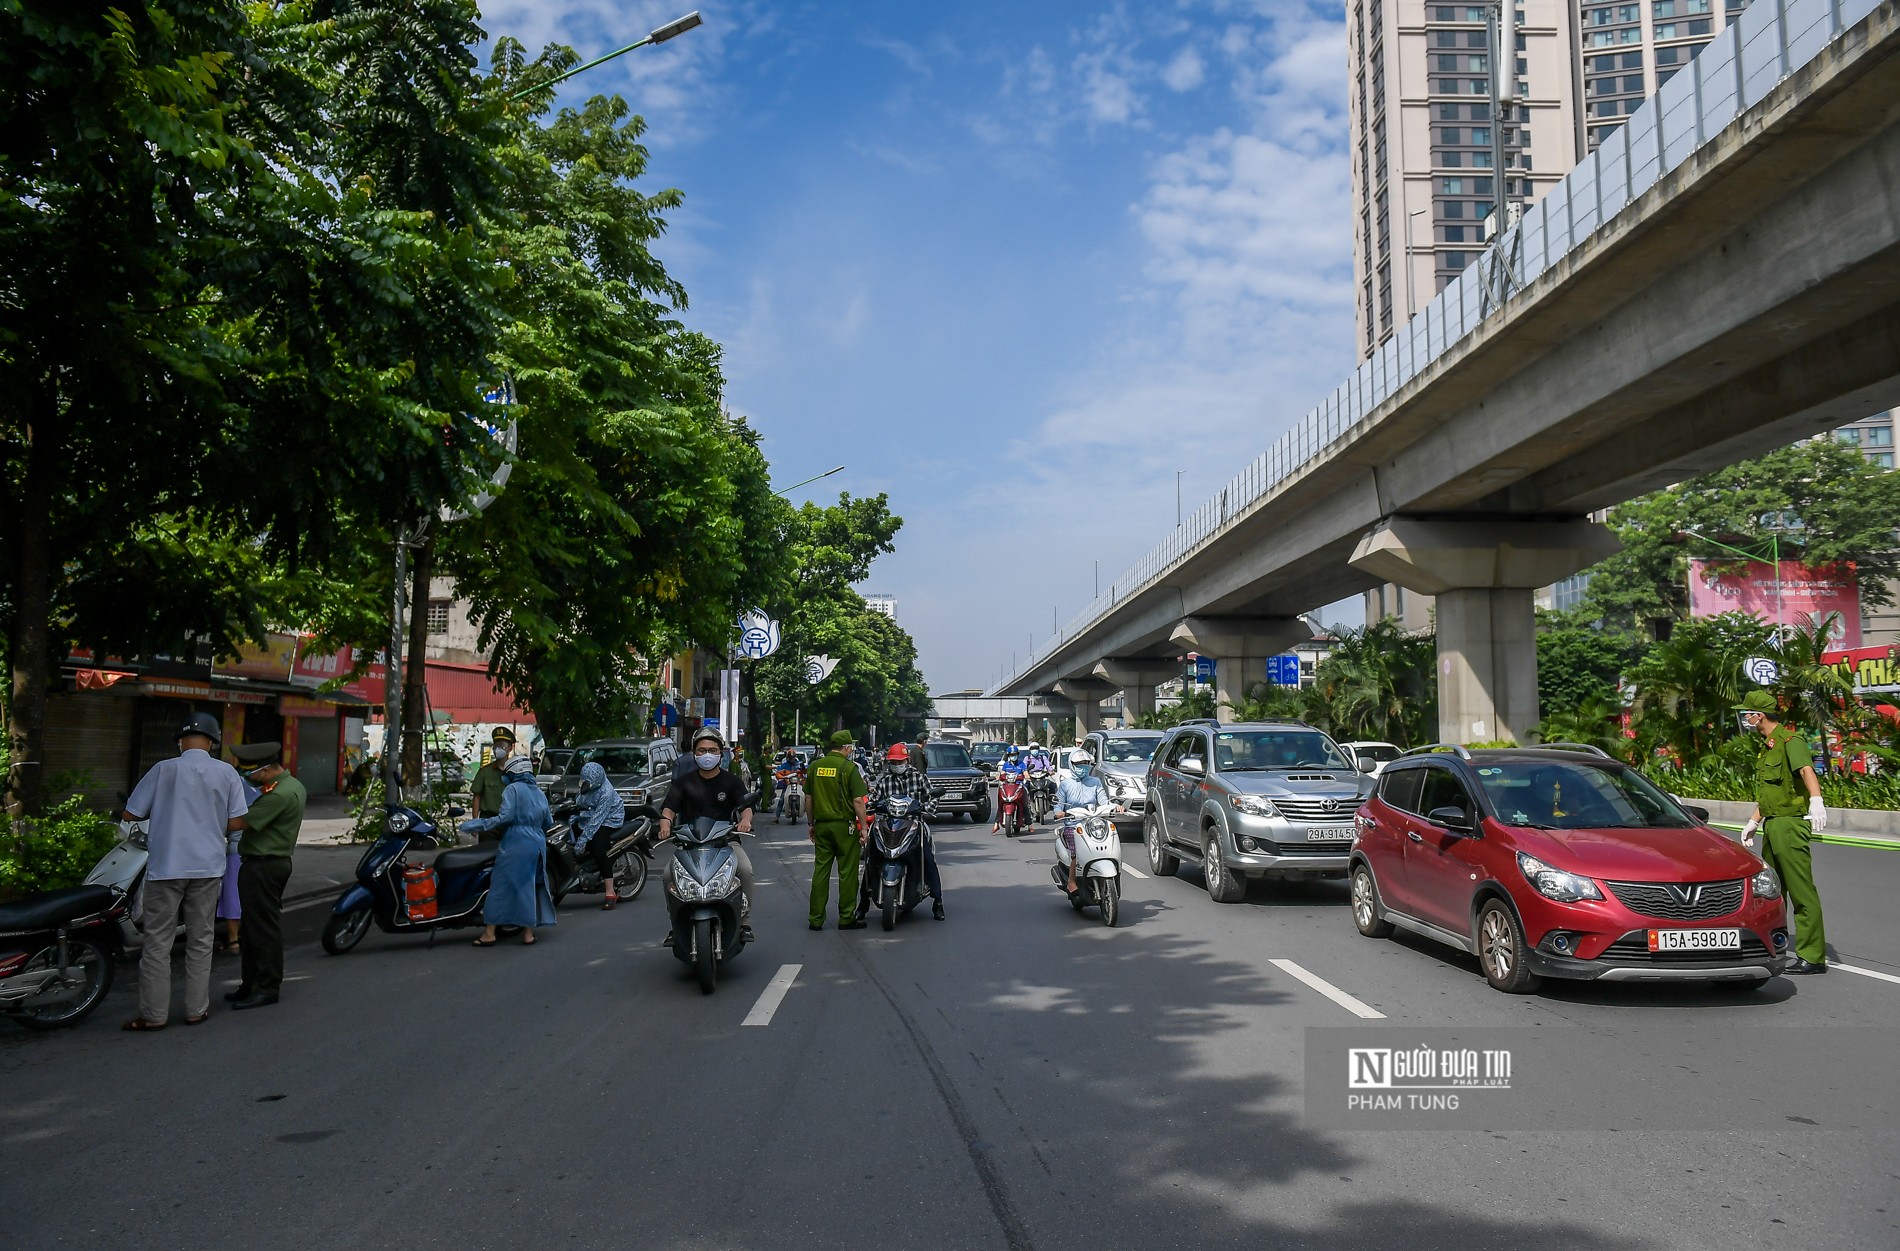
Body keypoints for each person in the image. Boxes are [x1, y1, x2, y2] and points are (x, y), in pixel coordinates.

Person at [120, 712, 250, 1031]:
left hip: (166, 866)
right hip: (207, 867)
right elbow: (236, 822)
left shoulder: (162, 770)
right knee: (201, 939)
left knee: (157, 942)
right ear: (212, 742)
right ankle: (196, 1010)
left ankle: (153, 1015)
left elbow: (130, 813)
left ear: (181, 742)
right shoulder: (227, 773)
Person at [1735, 690, 1829, 974]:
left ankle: (1812, 956)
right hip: (1773, 823)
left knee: (1801, 891)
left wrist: (1817, 800)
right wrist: (1753, 821)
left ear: (1759, 715)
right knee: (1772, 892)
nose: (1746, 718)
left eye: (1747, 713)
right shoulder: (1768, 746)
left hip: (1790, 824)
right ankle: (1772, 945)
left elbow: (1805, 771)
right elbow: (1772, 793)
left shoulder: (1790, 740)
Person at [225, 741, 305, 1010]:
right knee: (251, 929)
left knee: (262, 930)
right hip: (264, 864)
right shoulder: (289, 785)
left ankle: (267, 988)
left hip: (264, 867)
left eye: (250, 773)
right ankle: (250, 984)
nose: (247, 778)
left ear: (264, 770)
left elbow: (237, 823)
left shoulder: (279, 795)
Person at [657, 728, 756, 940]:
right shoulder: (683, 782)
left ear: (721, 753)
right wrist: (665, 824)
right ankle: (676, 923)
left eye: (712, 750)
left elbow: (745, 807)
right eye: (702, 750)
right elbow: (668, 809)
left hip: (725, 844)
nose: (707, 754)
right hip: (689, 845)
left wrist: (746, 821)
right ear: (694, 753)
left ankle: (744, 922)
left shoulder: (732, 781)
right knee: (667, 875)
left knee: (745, 870)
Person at [461, 751, 557, 946]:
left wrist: (478, 824)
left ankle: (489, 933)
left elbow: (504, 817)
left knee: (500, 885)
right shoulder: (539, 793)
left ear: (514, 773)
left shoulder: (512, 790)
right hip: (537, 844)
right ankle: (528, 934)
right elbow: (549, 821)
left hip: (516, 841)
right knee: (528, 887)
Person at [866, 744, 945, 920]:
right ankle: (863, 902)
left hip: (914, 825)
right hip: (888, 826)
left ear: (907, 760)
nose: (897, 764)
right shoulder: (884, 781)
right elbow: (872, 800)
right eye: (893, 761)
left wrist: (926, 808)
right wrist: (870, 806)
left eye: (900, 761)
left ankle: (938, 901)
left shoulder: (919, 778)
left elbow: (933, 797)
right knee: (872, 857)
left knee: (927, 858)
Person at [806, 730, 869, 930]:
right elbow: (858, 800)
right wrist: (864, 828)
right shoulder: (849, 768)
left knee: (821, 871)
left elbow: (808, 798)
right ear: (847, 748)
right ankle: (846, 917)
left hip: (822, 825)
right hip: (844, 827)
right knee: (847, 873)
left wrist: (811, 823)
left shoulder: (815, 767)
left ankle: (816, 919)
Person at [1051, 749, 1122, 895]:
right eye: (1079, 764)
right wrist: (1059, 812)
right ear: (1071, 764)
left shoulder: (1095, 782)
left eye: (1085, 763)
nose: (1083, 766)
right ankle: (1071, 880)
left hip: (1093, 824)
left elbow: (1104, 801)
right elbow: (1058, 803)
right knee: (1075, 852)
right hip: (1073, 824)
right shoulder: (1066, 784)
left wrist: (1116, 807)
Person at [572, 760, 625, 910]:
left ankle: (610, 892)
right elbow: (580, 799)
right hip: (589, 814)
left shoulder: (606, 793)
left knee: (598, 849)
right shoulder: (588, 783)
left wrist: (583, 841)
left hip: (609, 819)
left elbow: (597, 820)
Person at [469, 727, 517, 835]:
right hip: (488, 821)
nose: (498, 749)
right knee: (486, 851)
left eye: (502, 745)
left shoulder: (516, 773)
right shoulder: (485, 772)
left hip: (510, 822)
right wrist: (475, 822)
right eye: (496, 745)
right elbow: (477, 797)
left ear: (510, 748)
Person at [772, 745, 805, 821]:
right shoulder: (784, 765)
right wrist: (782, 777)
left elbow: (805, 771)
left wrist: (803, 772)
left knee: (808, 797)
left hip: (799, 785)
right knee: (781, 800)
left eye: (793, 757)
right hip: (787, 785)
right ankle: (777, 817)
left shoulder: (799, 764)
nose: (791, 759)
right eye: (790, 757)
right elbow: (778, 772)